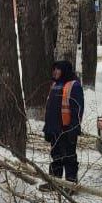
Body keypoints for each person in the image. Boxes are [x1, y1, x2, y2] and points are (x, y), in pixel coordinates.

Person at [41, 60, 84, 189]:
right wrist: (47, 129)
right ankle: (55, 182)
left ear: (64, 70)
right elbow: (50, 108)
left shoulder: (73, 85)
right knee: (56, 156)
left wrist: (73, 128)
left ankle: (70, 184)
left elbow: (78, 109)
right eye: (54, 69)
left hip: (67, 129)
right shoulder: (54, 85)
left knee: (69, 157)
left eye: (58, 69)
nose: (55, 72)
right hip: (54, 129)